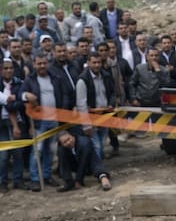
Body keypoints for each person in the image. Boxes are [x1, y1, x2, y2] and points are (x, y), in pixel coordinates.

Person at [21, 54, 71, 191]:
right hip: (38, 122)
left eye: (44, 63)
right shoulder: (30, 80)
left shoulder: (55, 78)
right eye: (39, 63)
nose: (42, 66)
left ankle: (47, 175)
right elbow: (21, 94)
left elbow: (63, 94)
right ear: (34, 64)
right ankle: (35, 179)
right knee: (37, 150)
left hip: (53, 119)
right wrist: (26, 95)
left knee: (49, 150)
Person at [75, 53, 115, 160]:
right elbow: (81, 103)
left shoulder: (106, 76)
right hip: (91, 117)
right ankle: (98, 170)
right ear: (88, 63)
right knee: (96, 145)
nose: (97, 65)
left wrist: (111, 103)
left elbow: (112, 93)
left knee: (101, 143)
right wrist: (86, 125)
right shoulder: (82, 80)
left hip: (104, 115)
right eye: (94, 63)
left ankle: (97, 167)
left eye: (99, 62)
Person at [0, 58, 24, 191]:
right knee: (3, 155)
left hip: (18, 121)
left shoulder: (18, 83)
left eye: (11, 68)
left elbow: (19, 102)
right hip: (1, 124)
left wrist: (9, 102)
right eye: (5, 68)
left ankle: (18, 180)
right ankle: (2, 182)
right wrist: (8, 100)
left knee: (18, 152)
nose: (8, 70)